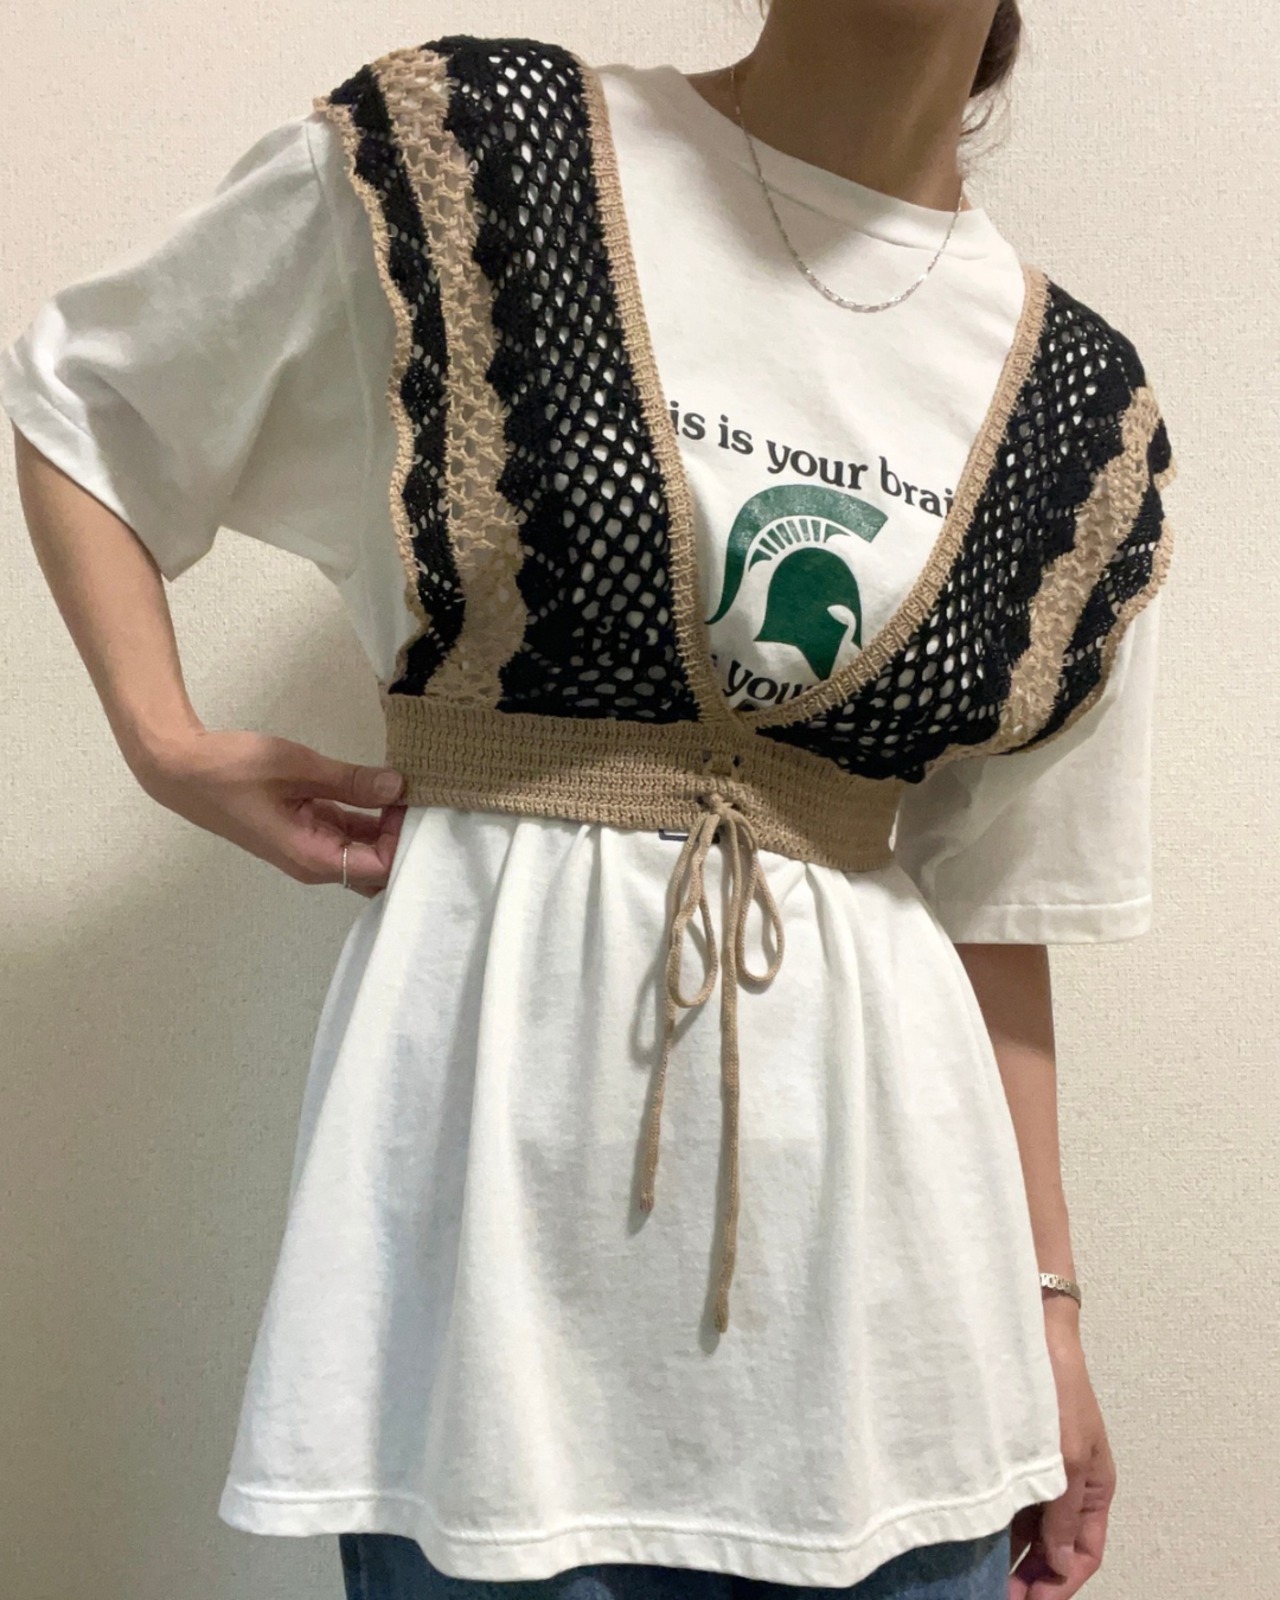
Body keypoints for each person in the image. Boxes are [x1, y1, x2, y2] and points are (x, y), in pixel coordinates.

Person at [1, 3, 1176, 1599]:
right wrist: (164, 739)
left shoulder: (1082, 411)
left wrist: (1052, 1312)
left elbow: (998, 901)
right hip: (492, 1310)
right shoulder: (478, 160)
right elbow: (91, 402)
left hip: (899, 1339)